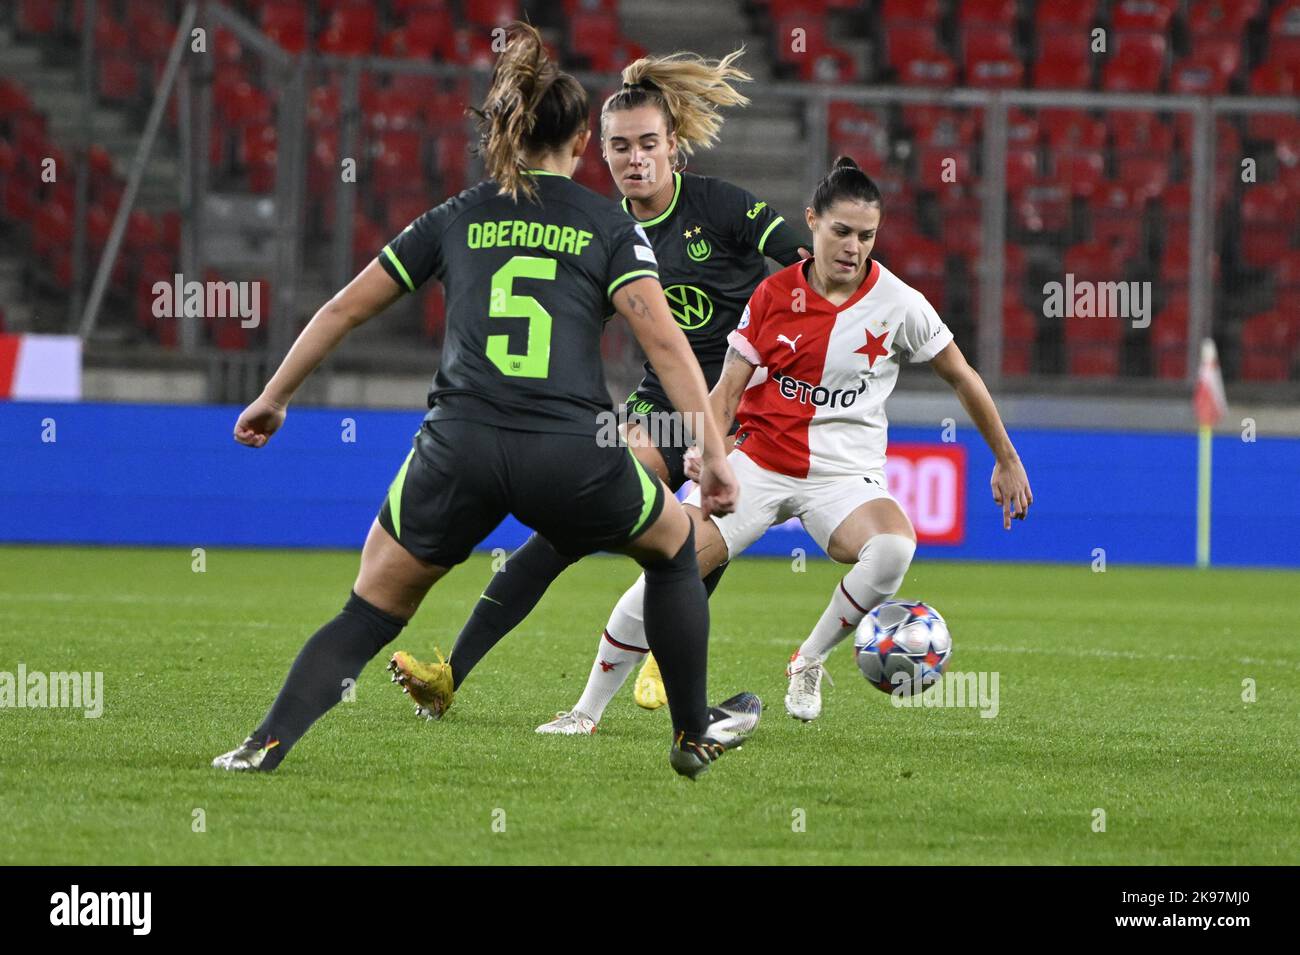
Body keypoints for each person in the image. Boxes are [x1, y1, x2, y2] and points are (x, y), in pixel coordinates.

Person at [210, 23, 759, 779]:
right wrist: (716, 454)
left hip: (457, 446)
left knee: (368, 610)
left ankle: (263, 743)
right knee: (673, 548)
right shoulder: (610, 226)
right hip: (571, 452)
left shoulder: (457, 213)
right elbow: (664, 344)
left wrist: (273, 398)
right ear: (580, 142)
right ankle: (693, 733)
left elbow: (342, 308)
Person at [542, 156, 1033, 730]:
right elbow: (725, 390)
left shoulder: (899, 302)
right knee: (669, 565)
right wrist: (710, 451)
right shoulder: (773, 295)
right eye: (841, 232)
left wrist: (1006, 457)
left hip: (845, 478)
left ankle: (809, 658)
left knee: (895, 549)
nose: (853, 247)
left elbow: (962, 374)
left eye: (867, 235)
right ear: (813, 223)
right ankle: (584, 712)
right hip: (761, 462)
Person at [438, 49, 809, 722]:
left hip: (751, 409)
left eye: (647, 144)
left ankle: (668, 669)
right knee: (564, 524)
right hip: (663, 412)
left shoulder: (722, 208)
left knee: (708, 516)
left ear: (674, 148)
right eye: (619, 148)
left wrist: (768, 344)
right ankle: (449, 674)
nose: (635, 158)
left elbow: (809, 270)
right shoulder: (604, 229)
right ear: (598, 155)